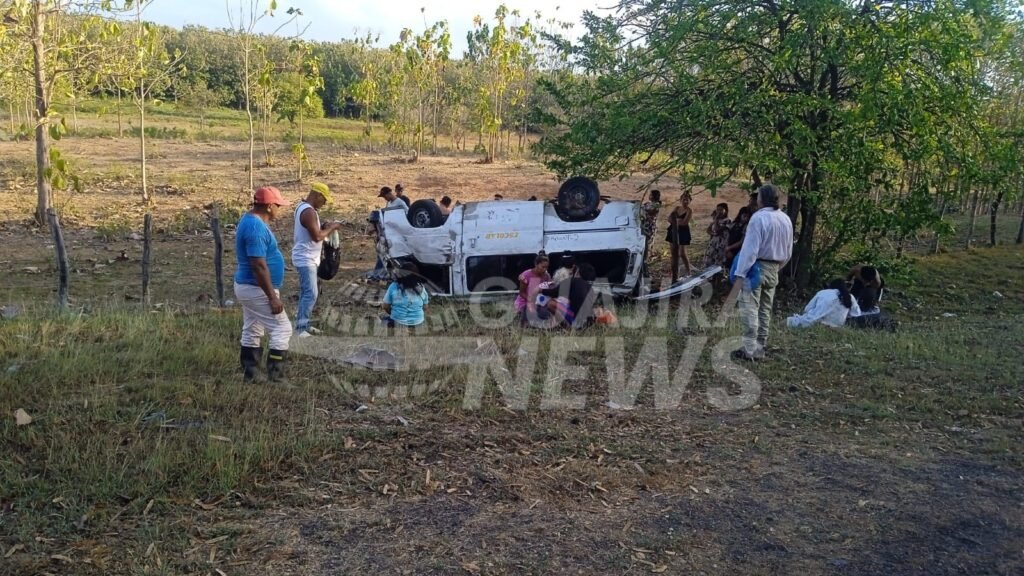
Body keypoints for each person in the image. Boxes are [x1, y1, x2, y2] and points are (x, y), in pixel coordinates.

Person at [235, 186, 293, 382]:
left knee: (253, 328)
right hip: (255, 287)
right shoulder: (255, 228)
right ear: (269, 206)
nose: (279, 209)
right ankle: (276, 376)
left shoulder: (251, 220)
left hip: (249, 286)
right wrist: (272, 297)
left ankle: (251, 374)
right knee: (282, 328)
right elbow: (258, 265)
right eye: (277, 205)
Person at [731, 184, 794, 361]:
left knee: (750, 306)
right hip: (775, 267)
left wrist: (740, 273)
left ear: (761, 199)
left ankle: (750, 348)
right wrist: (778, 268)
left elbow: (750, 249)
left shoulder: (758, 218)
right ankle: (761, 344)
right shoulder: (785, 219)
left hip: (756, 267)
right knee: (765, 308)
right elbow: (788, 251)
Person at [292, 183, 343, 337]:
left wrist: (323, 225)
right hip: (305, 258)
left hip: (308, 257)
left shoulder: (305, 208)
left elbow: (313, 229)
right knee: (311, 293)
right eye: (324, 199)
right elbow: (317, 236)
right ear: (317, 195)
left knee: (307, 292)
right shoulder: (308, 212)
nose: (325, 203)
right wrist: (332, 227)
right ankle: (300, 328)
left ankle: (304, 323)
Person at [535, 262, 599, 329]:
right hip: (588, 322)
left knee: (551, 304)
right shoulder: (591, 289)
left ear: (578, 272)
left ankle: (567, 326)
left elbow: (555, 292)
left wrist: (541, 290)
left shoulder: (573, 281)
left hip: (575, 320)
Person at [786, 279, 861, 328]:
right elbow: (856, 314)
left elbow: (807, 309)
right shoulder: (850, 297)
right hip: (837, 326)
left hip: (813, 322)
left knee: (787, 321)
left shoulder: (823, 292)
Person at [382, 262, 429, 327]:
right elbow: (425, 307)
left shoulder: (394, 286)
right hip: (419, 323)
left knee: (383, 320)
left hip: (398, 322)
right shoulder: (422, 287)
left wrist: (393, 314)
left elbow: (385, 306)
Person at [665, 191, 693, 282]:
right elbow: (669, 218)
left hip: (683, 232)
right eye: (684, 199)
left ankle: (689, 271)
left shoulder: (689, 210)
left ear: (689, 201)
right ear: (680, 200)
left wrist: (675, 221)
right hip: (673, 230)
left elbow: (685, 222)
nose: (685, 201)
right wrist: (677, 221)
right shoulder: (677, 208)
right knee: (673, 253)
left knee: (682, 253)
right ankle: (674, 272)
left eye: (687, 200)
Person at [515, 252, 551, 321]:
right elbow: (522, 293)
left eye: (546, 267)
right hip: (526, 302)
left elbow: (549, 290)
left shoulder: (547, 276)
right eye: (543, 267)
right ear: (536, 264)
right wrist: (531, 299)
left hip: (540, 302)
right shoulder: (526, 275)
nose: (545, 269)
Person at [702, 202, 732, 268]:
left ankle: (716, 277)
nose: (719, 211)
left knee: (718, 262)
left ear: (726, 210)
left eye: (721, 209)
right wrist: (713, 233)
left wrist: (716, 219)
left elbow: (717, 229)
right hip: (713, 244)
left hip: (721, 244)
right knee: (709, 260)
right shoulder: (716, 221)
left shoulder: (727, 221)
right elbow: (708, 230)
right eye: (717, 209)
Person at [725, 206, 752, 271]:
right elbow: (727, 235)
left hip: (737, 250)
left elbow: (741, 241)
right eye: (744, 216)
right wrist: (726, 247)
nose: (746, 218)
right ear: (740, 215)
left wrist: (729, 248)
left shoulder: (746, 227)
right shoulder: (734, 224)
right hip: (728, 248)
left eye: (748, 217)